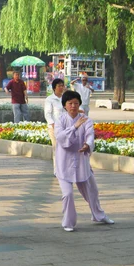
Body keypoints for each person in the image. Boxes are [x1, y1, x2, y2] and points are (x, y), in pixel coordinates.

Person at [54, 90, 114, 232]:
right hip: (64, 164)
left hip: (81, 162)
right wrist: (74, 127)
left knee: (92, 191)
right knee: (67, 194)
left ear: (80, 103)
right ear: (65, 106)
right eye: (70, 103)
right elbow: (61, 137)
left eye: (76, 103)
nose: (73, 106)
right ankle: (68, 222)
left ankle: (99, 215)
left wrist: (88, 144)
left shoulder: (86, 119)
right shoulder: (60, 120)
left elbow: (90, 135)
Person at [45, 78, 65, 149]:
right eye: (59, 86)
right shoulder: (50, 99)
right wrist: (53, 125)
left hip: (65, 127)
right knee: (57, 149)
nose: (61, 88)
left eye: (62, 86)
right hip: (54, 127)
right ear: (54, 88)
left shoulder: (65, 98)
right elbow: (47, 114)